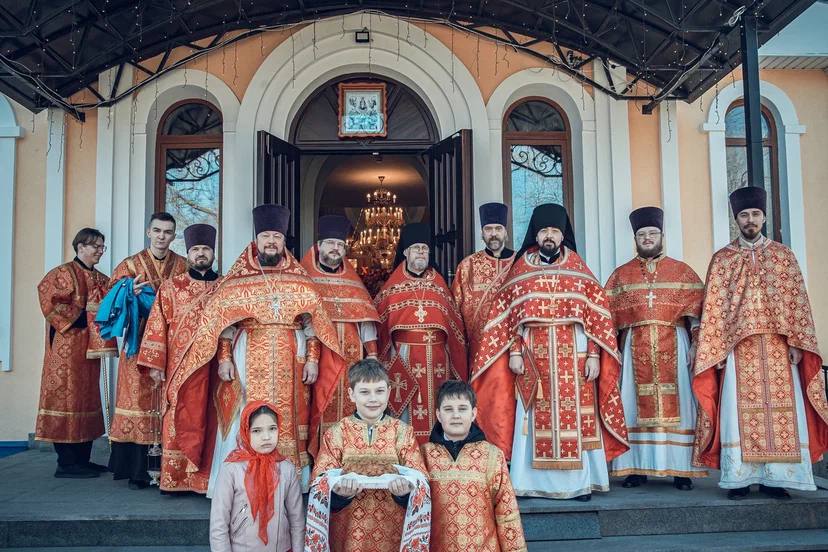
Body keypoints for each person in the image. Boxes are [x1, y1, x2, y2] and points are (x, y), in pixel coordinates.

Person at [169, 204, 342, 496]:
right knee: (246, 413)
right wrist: (224, 359)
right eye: (266, 236)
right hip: (246, 354)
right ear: (256, 240)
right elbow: (225, 324)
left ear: (283, 240)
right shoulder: (237, 279)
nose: (271, 242)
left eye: (276, 236)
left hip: (293, 360)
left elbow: (312, 324)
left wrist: (313, 360)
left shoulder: (300, 279)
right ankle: (242, 483)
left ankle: (288, 484)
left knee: (291, 419)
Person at [472, 203, 628, 501]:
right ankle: (529, 481)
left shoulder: (577, 268)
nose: (549, 236)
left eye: (555, 231)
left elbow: (596, 319)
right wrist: (514, 352)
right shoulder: (522, 269)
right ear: (536, 234)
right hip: (533, 355)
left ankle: (580, 484)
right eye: (544, 230)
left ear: (562, 235)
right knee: (532, 416)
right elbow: (509, 318)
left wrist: (594, 355)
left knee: (577, 417)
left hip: (574, 354)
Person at [693, 186, 828, 500]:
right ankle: (740, 479)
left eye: (755, 214)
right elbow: (714, 308)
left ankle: (776, 479)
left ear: (764, 217)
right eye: (744, 215)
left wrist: (797, 342)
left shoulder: (783, 256)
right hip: (738, 349)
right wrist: (716, 348)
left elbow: (797, 302)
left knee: (782, 413)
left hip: (780, 348)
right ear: (736, 219)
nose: (750, 220)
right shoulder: (723, 260)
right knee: (737, 413)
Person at [605, 207, 707, 490]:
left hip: (675, 344)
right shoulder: (621, 276)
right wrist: (612, 350)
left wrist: (696, 344)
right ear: (635, 239)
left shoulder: (682, 271)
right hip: (633, 348)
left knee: (681, 406)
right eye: (642, 234)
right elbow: (606, 318)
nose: (647, 238)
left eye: (652, 233)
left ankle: (681, 470)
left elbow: (698, 314)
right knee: (631, 405)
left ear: (662, 236)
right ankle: (636, 469)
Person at [305, 359, 431, 552]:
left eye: (379, 391)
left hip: (393, 533)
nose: (373, 399)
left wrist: (404, 493)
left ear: (388, 392)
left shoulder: (402, 432)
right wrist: (340, 494)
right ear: (351, 394)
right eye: (364, 392)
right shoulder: (337, 433)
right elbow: (320, 481)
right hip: (347, 535)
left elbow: (420, 479)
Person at [137, 223, 221, 493]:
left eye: (205, 249)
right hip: (180, 368)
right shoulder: (171, 287)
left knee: (214, 420)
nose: (201, 254)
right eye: (196, 249)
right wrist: (155, 364)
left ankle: (206, 480)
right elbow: (156, 326)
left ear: (213, 253)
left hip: (218, 365)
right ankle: (176, 480)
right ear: (188, 253)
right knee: (180, 417)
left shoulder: (226, 286)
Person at [108, 212, 187, 489]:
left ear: (173, 235)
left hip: (172, 343)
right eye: (157, 231)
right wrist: (128, 291)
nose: (162, 236)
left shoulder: (182, 265)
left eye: (167, 232)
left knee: (169, 400)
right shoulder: (130, 265)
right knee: (137, 400)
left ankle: (169, 468)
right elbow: (110, 296)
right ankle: (137, 472)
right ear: (148, 232)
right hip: (138, 341)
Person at [374, 222, 467, 444]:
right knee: (407, 408)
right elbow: (379, 325)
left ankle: (439, 450)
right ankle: (407, 451)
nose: (421, 253)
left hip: (438, 358)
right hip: (405, 356)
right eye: (416, 248)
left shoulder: (439, 284)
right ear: (406, 252)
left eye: (425, 249)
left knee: (438, 403)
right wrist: (384, 360)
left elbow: (455, 325)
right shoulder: (393, 286)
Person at [35, 228, 117, 478]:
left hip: (90, 349)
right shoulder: (63, 273)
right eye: (96, 246)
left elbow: (111, 303)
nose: (100, 251)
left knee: (87, 398)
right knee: (66, 399)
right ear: (81, 247)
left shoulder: (102, 278)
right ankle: (66, 463)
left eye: (102, 247)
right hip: (66, 348)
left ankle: (83, 460)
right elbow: (48, 298)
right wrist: (84, 316)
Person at [300, 215, 380, 456]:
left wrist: (372, 355)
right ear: (319, 245)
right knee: (319, 404)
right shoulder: (306, 277)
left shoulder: (352, 280)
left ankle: (351, 455)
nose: (335, 248)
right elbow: (302, 319)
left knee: (353, 402)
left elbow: (366, 319)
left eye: (340, 245)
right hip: (321, 355)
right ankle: (322, 457)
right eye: (331, 243)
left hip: (353, 356)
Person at [421, 380, 527, 551]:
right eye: (448, 409)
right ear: (439, 415)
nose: (456, 415)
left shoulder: (492, 455)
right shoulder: (423, 455)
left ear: (473, 413)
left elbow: (507, 513)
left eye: (462, 409)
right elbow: (413, 505)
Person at [209, 401, 305, 552]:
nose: (266, 437)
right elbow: (219, 524)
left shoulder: (286, 468)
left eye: (272, 428)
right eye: (256, 431)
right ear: (245, 432)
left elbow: (297, 520)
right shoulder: (231, 469)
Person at [451, 202, 515, 361]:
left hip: (512, 346)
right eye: (488, 229)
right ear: (482, 233)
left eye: (498, 229)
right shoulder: (467, 266)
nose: (493, 234)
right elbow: (454, 311)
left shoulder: (519, 263)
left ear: (505, 232)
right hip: (477, 348)